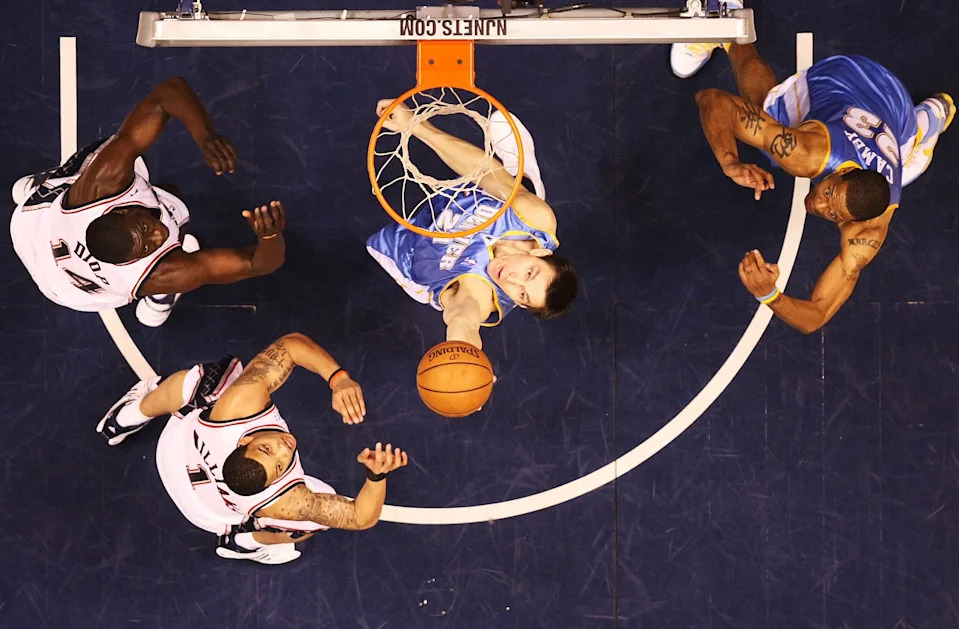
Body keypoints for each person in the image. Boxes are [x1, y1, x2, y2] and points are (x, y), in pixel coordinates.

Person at [672, 26, 953, 333]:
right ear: (843, 171)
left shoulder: (868, 233)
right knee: (766, 109)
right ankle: (728, 29)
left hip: (894, 112)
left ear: (854, 223)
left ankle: (930, 118)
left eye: (833, 214)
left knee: (903, 160)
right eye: (829, 194)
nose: (817, 205)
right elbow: (712, 100)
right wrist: (730, 162)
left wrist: (768, 294)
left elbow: (817, 315)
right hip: (846, 78)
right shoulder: (808, 152)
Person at [96, 332, 407, 564]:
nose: (284, 449)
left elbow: (290, 346)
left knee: (205, 384)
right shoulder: (286, 500)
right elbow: (360, 518)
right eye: (280, 465)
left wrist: (339, 380)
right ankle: (243, 542)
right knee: (308, 523)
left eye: (267, 450)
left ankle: (126, 418)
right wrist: (376, 475)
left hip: (175, 451)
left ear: (244, 441)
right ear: (274, 482)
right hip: (209, 513)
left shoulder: (236, 409)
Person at [9, 76, 288, 327]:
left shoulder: (100, 185)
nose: (157, 234)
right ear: (131, 260)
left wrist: (205, 136)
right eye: (147, 247)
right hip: (75, 292)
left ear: (121, 212)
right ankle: (160, 296)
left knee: (102, 154)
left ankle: (45, 186)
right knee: (175, 209)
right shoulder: (164, 272)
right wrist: (270, 237)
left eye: (144, 228)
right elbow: (258, 264)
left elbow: (168, 93)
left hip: (31, 225)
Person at [366, 104, 578, 349]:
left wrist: (463, 356)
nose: (512, 279)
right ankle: (524, 171)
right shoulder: (537, 219)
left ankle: (428, 289)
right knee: (516, 193)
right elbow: (485, 171)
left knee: (388, 253)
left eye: (522, 294)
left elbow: (463, 321)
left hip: (416, 251)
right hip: (462, 205)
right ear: (540, 253)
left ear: (520, 304)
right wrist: (415, 125)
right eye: (529, 273)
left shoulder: (479, 292)